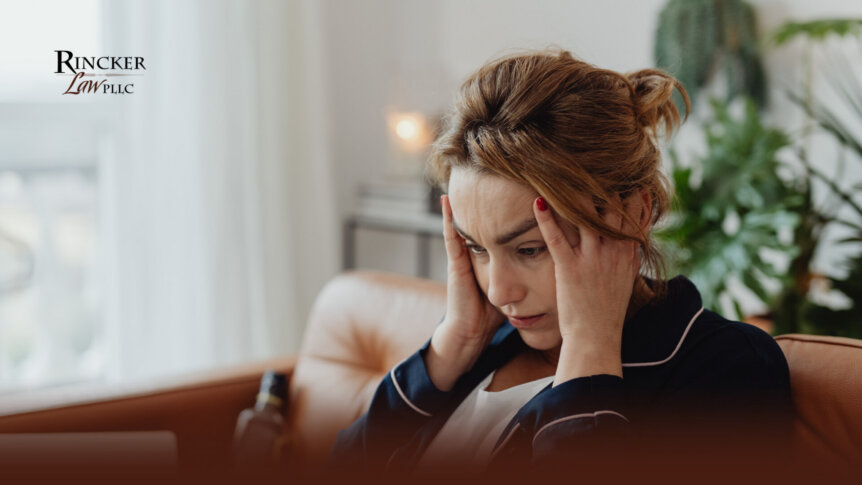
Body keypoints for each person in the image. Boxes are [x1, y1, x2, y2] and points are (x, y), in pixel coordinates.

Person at [326, 48, 794, 481]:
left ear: (634, 214)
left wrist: (590, 350)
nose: (499, 292)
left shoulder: (726, 372)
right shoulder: (484, 347)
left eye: (530, 249)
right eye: (477, 248)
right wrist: (450, 349)